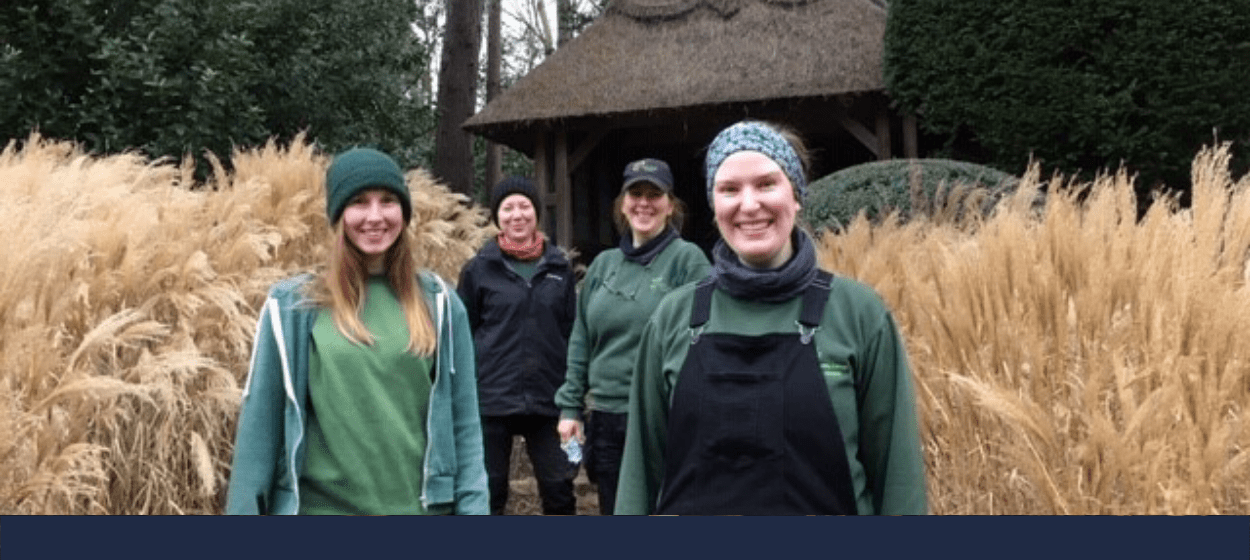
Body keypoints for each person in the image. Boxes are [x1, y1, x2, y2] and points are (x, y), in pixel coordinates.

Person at [614, 121, 928, 515]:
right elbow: (639, 478)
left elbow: (899, 481)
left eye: (766, 184)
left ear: (796, 196)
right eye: (729, 189)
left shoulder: (859, 314)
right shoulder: (674, 318)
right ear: (714, 205)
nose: (748, 205)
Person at [225, 147, 489, 515]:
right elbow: (259, 432)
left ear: (404, 212)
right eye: (359, 202)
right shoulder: (292, 307)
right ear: (338, 214)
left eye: (388, 201)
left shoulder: (441, 303)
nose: (375, 216)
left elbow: (465, 427)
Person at [555, 158, 712, 515]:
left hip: (662, 417)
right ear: (622, 205)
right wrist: (570, 407)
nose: (643, 203)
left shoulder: (687, 261)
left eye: (654, 195)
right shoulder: (603, 265)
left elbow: (705, 341)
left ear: (670, 205)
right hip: (605, 416)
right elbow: (581, 339)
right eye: (635, 194)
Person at [457, 176, 578, 515]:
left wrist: (574, 394)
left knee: (559, 488)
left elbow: (572, 331)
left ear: (536, 212)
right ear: (497, 216)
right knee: (489, 492)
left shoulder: (559, 268)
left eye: (524, 206)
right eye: (507, 208)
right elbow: (463, 331)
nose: (517, 215)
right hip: (492, 397)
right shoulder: (478, 269)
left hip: (549, 397)